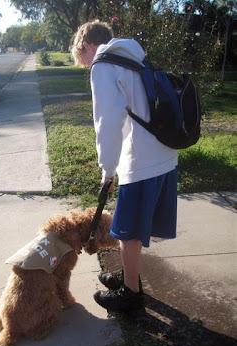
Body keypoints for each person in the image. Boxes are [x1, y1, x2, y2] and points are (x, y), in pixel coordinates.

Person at [71, 20, 178, 317]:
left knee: (128, 231)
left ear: (88, 46)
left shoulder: (104, 64)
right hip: (164, 154)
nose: (86, 66)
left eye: (83, 60)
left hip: (142, 159)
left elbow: (107, 122)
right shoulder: (134, 58)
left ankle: (131, 295)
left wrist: (107, 169)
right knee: (128, 224)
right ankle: (130, 277)